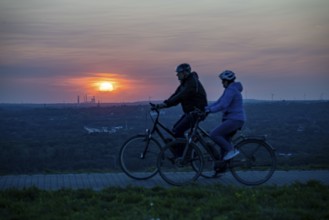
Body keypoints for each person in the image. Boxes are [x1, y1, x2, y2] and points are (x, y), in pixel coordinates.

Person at [156, 63, 208, 156]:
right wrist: (163, 104)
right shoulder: (185, 83)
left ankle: (185, 154)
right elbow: (176, 95)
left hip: (197, 112)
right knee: (175, 130)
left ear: (185, 73)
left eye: (178, 73)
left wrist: (166, 104)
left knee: (178, 131)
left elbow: (180, 96)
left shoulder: (191, 82)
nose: (177, 75)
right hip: (191, 112)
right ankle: (186, 152)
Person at [205, 70, 246, 173]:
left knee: (214, 134)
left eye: (223, 81)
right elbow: (219, 102)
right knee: (223, 143)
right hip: (234, 119)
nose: (222, 83)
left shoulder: (231, 90)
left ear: (227, 80)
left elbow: (223, 105)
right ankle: (221, 168)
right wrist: (206, 108)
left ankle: (231, 150)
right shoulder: (229, 89)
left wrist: (210, 110)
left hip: (234, 120)